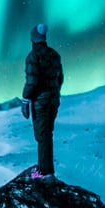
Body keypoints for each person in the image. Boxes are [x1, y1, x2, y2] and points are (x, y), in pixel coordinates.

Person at [21, 23, 63, 180]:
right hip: (54, 99)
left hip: (41, 101)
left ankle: (45, 173)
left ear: (33, 39)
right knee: (47, 134)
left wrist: (25, 100)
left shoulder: (33, 57)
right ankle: (45, 169)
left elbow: (32, 81)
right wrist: (54, 92)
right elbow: (60, 78)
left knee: (42, 135)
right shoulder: (54, 54)